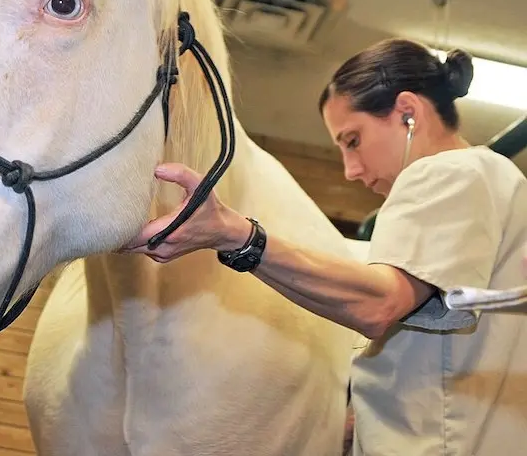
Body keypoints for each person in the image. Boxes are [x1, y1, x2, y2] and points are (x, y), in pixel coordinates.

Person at [123, 38, 527, 456]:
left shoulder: (449, 173)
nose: (351, 171)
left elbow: (379, 304)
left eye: (353, 140)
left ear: (408, 113)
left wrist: (235, 234)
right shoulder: (496, 183)